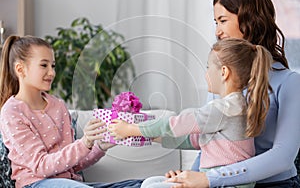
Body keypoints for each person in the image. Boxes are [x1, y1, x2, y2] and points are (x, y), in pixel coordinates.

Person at [158, 0, 300, 187]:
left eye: (223, 21)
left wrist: (209, 179)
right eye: (216, 22)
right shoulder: (223, 78)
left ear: (251, 19)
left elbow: (282, 157)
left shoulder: (289, 82)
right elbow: (210, 140)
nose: (217, 31)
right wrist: (189, 178)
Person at [109, 38, 273, 188]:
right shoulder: (236, 107)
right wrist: (151, 136)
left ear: (224, 72)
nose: (206, 73)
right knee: (151, 182)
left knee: (151, 187)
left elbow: (177, 124)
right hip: (223, 182)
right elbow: (195, 140)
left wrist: (132, 129)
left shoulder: (224, 109)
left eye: (208, 67)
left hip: (226, 185)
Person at [0, 35, 143, 188]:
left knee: (144, 184)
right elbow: (41, 166)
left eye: (53, 66)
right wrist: (84, 142)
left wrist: (99, 146)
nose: (52, 72)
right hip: (36, 184)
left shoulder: (58, 106)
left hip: (71, 183)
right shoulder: (12, 111)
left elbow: (74, 165)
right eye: (44, 65)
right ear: (20, 69)